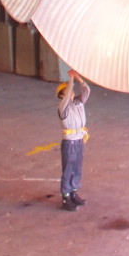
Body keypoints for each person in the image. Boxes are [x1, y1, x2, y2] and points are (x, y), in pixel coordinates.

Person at [56, 72, 90, 211]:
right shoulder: (63, 107)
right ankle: (66, 198)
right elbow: (68, 94)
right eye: (67, 90)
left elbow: (87, 90)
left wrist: (78, 78)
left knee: (77, 168)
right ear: (62, 95)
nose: (71, 91)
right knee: (68, 169)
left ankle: (73, 193)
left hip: (79, 139)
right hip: (69, 142)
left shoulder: (78, 103)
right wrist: (71, 79)